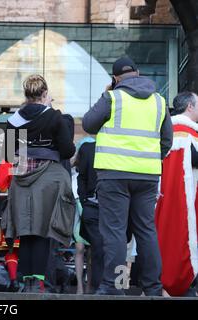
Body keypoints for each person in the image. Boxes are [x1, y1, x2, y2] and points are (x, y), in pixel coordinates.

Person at [82, 56, 173, 296]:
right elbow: (167, 141)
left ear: (115, 79)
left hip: (113, 174)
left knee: (115, 232)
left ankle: (115, 287)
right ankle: (153, 288)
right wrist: (150, 159)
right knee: (146, 231)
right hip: (147, 175)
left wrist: (108, 94)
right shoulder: (159, 101)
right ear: (138, 72)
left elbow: (89, 124)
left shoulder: (112, 97)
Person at [0, 74, 76, 293]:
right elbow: (68, 150)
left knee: (25, 230)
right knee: (42, 230)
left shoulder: (14, 120)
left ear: (25, 96)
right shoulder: (54, 117)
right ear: (44, 94)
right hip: (48, 179)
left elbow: (7, 152)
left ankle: (26, 281)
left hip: (22, 176)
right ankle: (36, 282)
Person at [155, 91, 198, 297]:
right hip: (186, 198)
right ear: (190, 106)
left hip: (165, 196)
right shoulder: (186, 132)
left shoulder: (167, 129)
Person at [75, 136, 104, 294]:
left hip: (107, 207)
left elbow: (81, 177)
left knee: (103, 249)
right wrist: (85, 201)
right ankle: (99, 288)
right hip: (95, 206)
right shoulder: (87, 148)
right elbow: (81, 177)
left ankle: (107, 287)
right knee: (100, 248)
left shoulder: (87, 148)